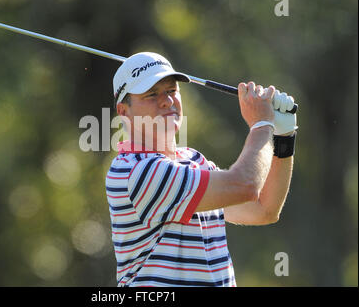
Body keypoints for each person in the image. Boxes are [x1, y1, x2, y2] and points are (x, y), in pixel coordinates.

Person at [105, 52, 297, 287]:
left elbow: (263, 210)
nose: (166, 100)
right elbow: (245, 185)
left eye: (172, 90)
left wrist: (284, 138)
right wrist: (262, 124)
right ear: (124, 112)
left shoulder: (194, 160)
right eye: (151, 94)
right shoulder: (135, 170)